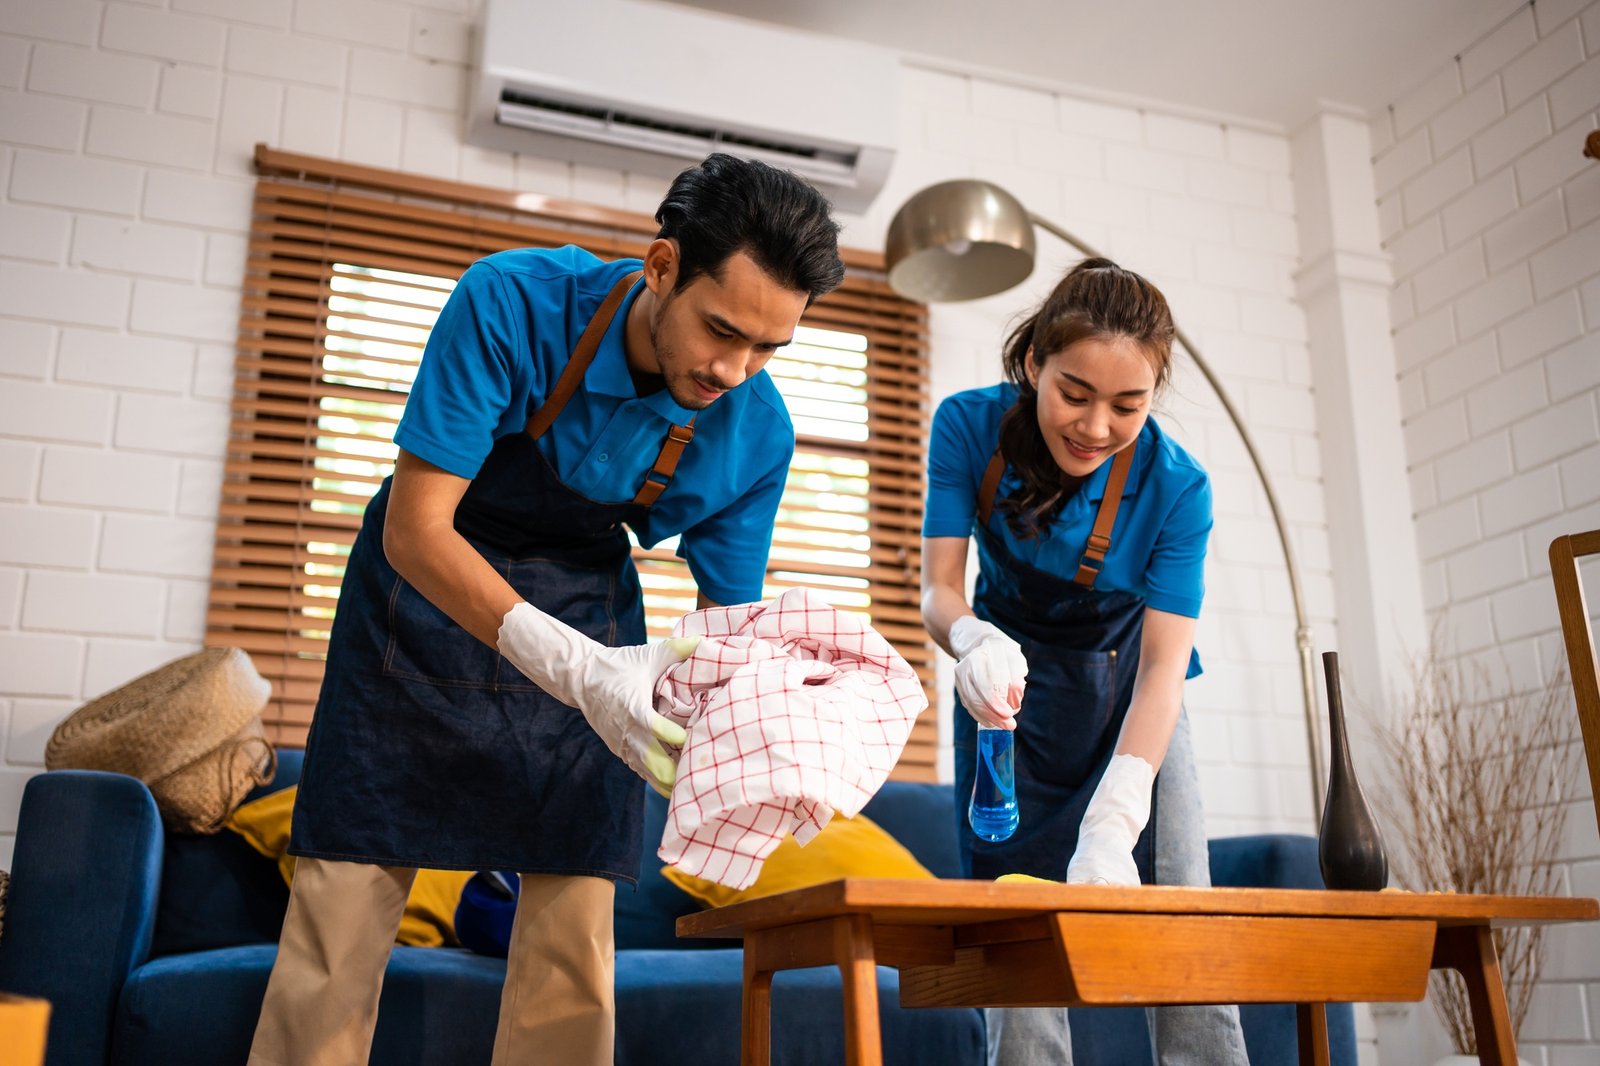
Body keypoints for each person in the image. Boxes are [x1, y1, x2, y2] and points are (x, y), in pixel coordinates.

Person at [247, 153, 844, 1066]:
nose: (737, 368)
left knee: (574, 936)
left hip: (586, 602)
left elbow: (729, 626)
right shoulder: (512, 304)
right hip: (417, 601)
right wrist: (575, 669)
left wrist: (754, 743)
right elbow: (416, 529)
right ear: (661, 265)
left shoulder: (755, 429)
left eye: (770, 348)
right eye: (722, 330)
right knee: (342, 903)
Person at [920, 258, 1250, 1065]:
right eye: (1074, 392)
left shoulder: (1179, 490)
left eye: (1127, 406)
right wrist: (973, 640)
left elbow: (1165, 671)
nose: (1095, 426)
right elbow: (938, 590)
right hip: (1008, 696)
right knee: (1013, 931)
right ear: (1034, 363)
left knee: (1180, 912)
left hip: (1132, 695)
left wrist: (1116, 816)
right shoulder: (968, 428)